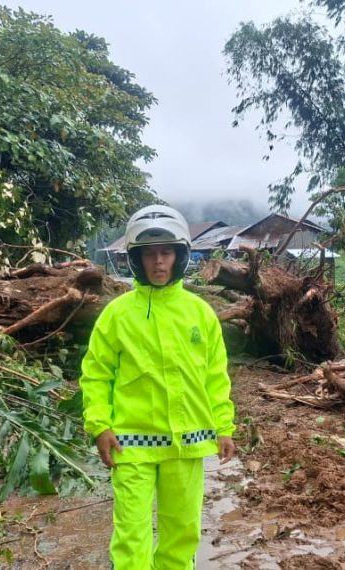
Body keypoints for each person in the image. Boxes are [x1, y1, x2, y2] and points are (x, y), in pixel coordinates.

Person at [80, 205, 236, 570]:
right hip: (131, 443)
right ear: (136, 259)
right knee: (131, 534)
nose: (159, 262)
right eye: (149, 254)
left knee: (181, 532)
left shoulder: (200, 313)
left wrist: (224, 427)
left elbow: (216, 376)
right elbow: (96, 373)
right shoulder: (116, 315)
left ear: (180, 256)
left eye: (166, 253)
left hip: (188, 445)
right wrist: (99, 425)